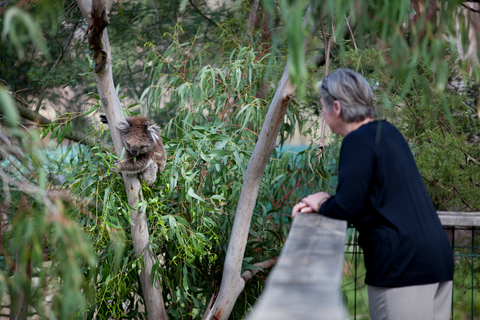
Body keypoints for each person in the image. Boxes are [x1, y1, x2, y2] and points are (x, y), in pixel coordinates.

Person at [292, 68, 454, 320]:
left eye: (322, 107)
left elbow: (348, 206)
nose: (322, 115)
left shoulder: (357, 141)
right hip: (437, 260)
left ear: (336, 107)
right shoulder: (387, 132)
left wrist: (321, 202)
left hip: (402, 268)